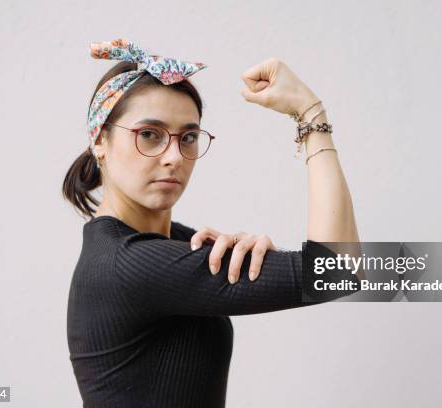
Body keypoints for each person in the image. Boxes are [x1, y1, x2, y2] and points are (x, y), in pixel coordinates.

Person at [62, 38, 361, 408]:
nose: (174, 157)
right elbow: (338, 270)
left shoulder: (168, 246)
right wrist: (310, 114)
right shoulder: (127, 264)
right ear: (100, 140)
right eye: (149, 135)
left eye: (187, 137)